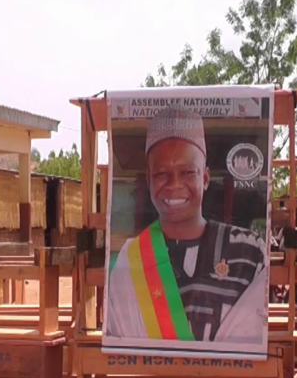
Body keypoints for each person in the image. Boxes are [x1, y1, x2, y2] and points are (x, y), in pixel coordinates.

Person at [107, 107, 267, 344]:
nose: (174, 185)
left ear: (204, 178)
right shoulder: (131, 258)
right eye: (162, 174)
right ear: (149, 179)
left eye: (187, 173)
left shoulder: (249, 252)